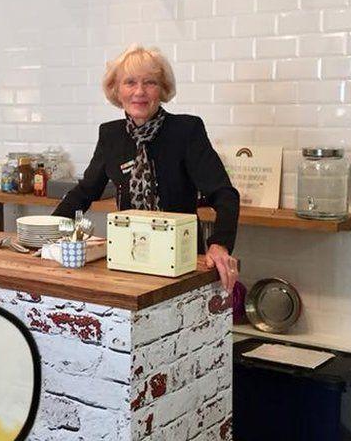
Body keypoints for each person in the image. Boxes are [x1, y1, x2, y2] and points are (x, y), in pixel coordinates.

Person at [53, 45, 240, 292]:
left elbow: (225, 194)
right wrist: (48, 229)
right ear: (116, 90)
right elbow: (85, 192)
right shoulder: (110, 135)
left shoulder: (186, 131)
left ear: (162, 89)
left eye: (150, 82)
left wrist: (220, 244)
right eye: (130, 82)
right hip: (127, 256)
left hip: (181, 261)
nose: (139, 92)